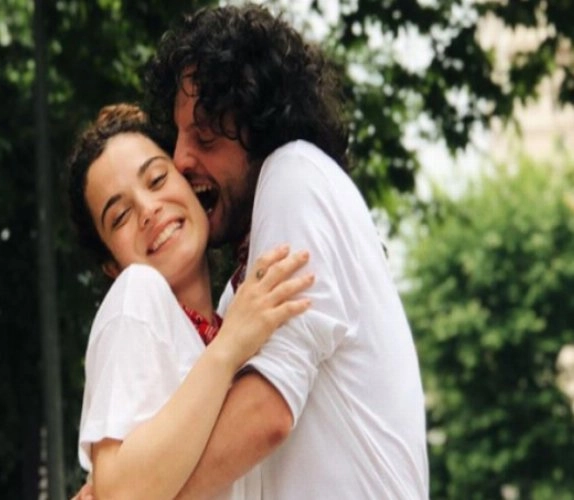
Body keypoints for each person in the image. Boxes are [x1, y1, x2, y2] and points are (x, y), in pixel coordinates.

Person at [140, 4, 430, 499]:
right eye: (179, 135)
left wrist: (132, 491)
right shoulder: (239, 298)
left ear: (261, 128)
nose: (181, 159)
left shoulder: (294, 174)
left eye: (204, 136)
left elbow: (266, 412)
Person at [67, 103, 314, 499]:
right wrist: (228, 348)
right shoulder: (138, 292)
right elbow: (119, 494)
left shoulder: (228, 316)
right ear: (112, 266)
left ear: (188, 182)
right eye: (120, 216)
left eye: (156, 179)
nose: (148, 210)